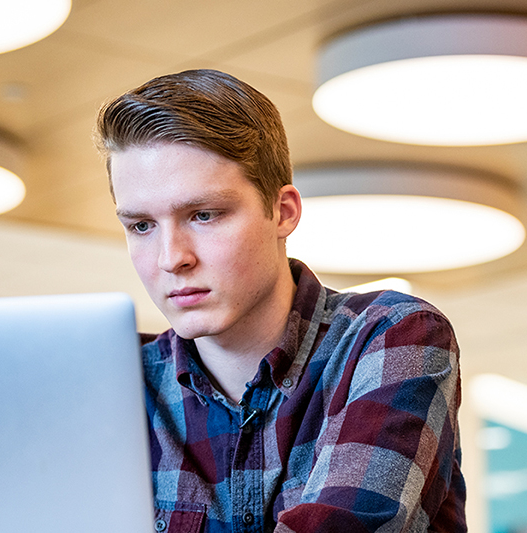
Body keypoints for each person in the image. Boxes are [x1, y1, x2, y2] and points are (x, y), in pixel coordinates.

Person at [95, 69, 466, 533]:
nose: (171, 259)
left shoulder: (392, 336)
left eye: (204, 215)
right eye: (141, 226)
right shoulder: (114, 381)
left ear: (283, 212)